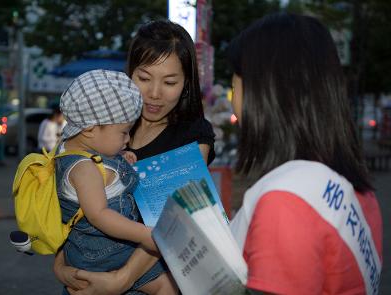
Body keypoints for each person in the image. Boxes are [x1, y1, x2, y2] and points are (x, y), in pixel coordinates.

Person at [53, 20, 215, 295]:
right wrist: (60, 264)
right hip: (88, 274)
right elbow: (69, 198)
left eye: (170, 82)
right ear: (129, 74)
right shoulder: (103, 128)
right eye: (144, 78)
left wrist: (120, 280)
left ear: (187, 83)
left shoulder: (192, 136)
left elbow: (174, 222)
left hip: (152, 277)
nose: (154, 93)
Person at [227, 13, 383, 294]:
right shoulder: (360, 188)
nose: (232, 100)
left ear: (263, 94)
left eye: (233, 85)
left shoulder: (284, 202)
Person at [56, 69, 177, 295]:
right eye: (123, 132)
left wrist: (119, 159)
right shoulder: (84, 169)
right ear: (91, 129)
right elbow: (99, 215)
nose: (128, 139)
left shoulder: (78, 152)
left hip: (87, 250)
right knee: (167, 285)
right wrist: (145, 235)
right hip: (102, 253)